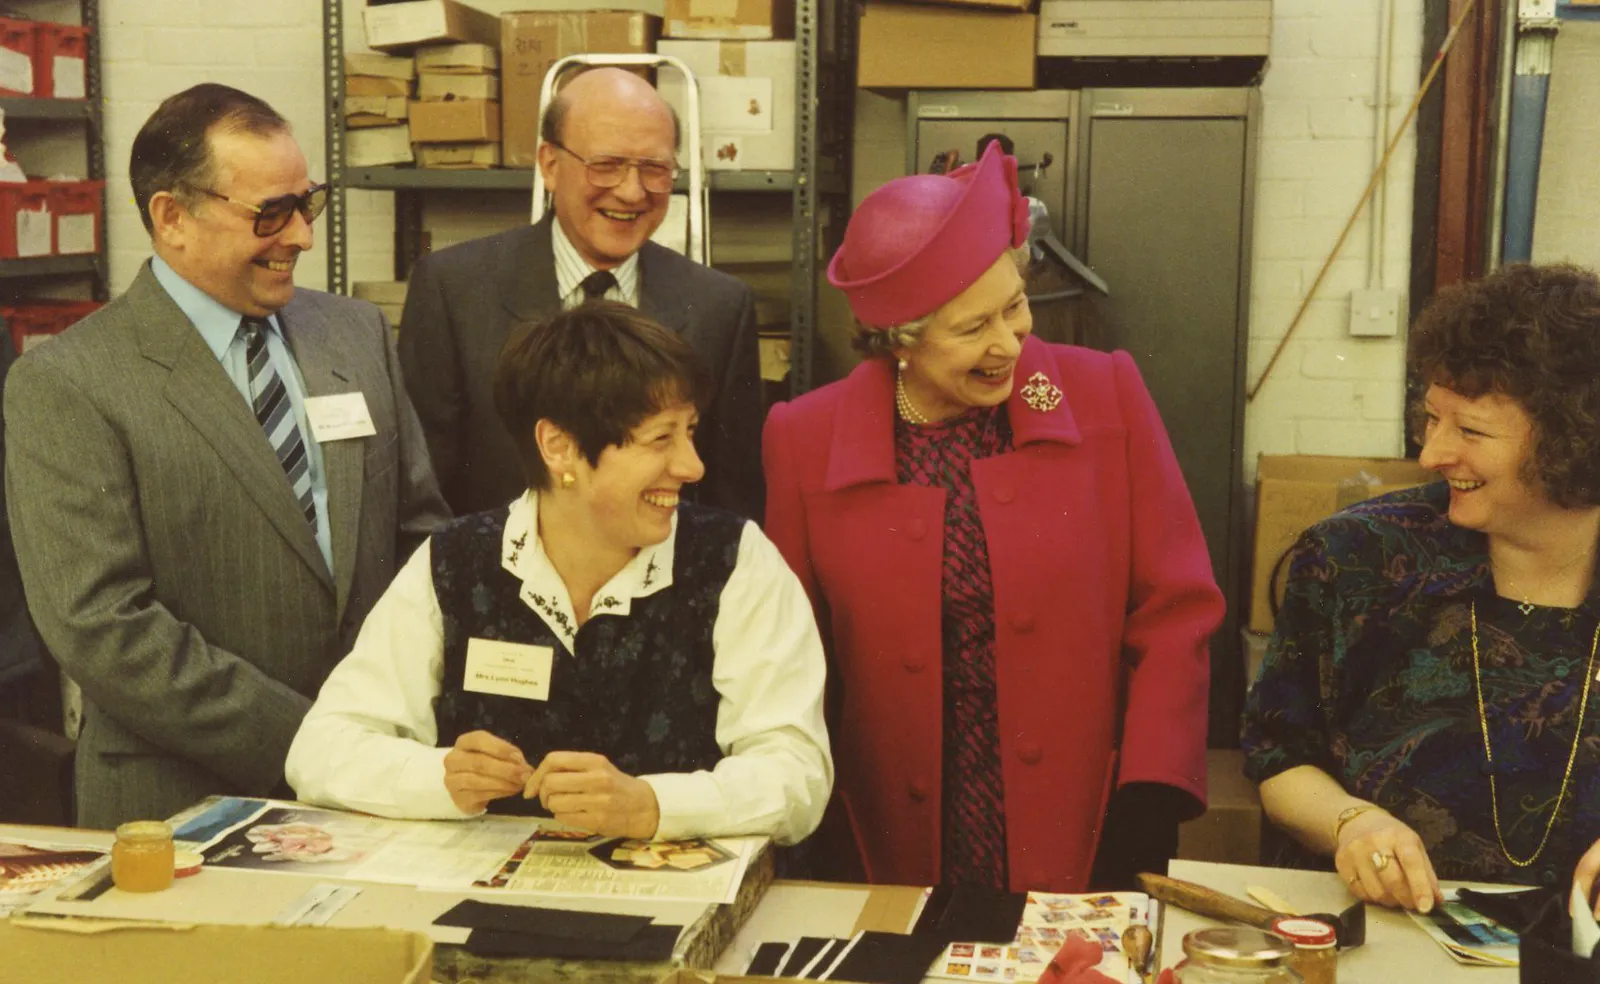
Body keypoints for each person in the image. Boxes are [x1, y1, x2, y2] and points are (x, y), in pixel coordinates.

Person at [761, 143, 1222, 892]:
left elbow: (1178, 609)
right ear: (899, 342)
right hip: (883, 831)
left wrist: (1153, 786)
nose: (1009, 343)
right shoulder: (806, 438)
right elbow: (789, 651)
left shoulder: (1100, 395)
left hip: (1088, 819)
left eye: (1015, 307)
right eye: (973, 329)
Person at [3, 84, 449, 830]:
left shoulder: (355, 335)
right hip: (178, 809)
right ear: (171, 218)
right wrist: (314, 742)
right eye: (270, 214)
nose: (302, 236)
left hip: (382, 784)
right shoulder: (68, 383)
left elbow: (420, 541)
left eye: (310, 203)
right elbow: (104, 626)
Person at [286, 302, 831, 845]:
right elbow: (321, 751)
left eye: (689, 431)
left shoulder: (737, 561)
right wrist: (439, 776)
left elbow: (798, 771)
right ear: (559, 446)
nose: (692, 466)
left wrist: (655, 806)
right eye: (661, 439)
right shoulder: (454, 560)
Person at [1243, 263, 1600, 912]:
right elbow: (1277, 756)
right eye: (1431, 418)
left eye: (1469, 431)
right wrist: (1353, 822)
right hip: (1384, 936)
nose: (1432, 454)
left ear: (1573, 442)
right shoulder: (1358, 558)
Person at [399, 67, 763, 521]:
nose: (632, 192)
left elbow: (733, 499)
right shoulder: (453, 290)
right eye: (606, 166)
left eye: (655, 169)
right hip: (492, 580)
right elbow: (421, 489)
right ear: (550, 165)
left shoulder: (719, 307)